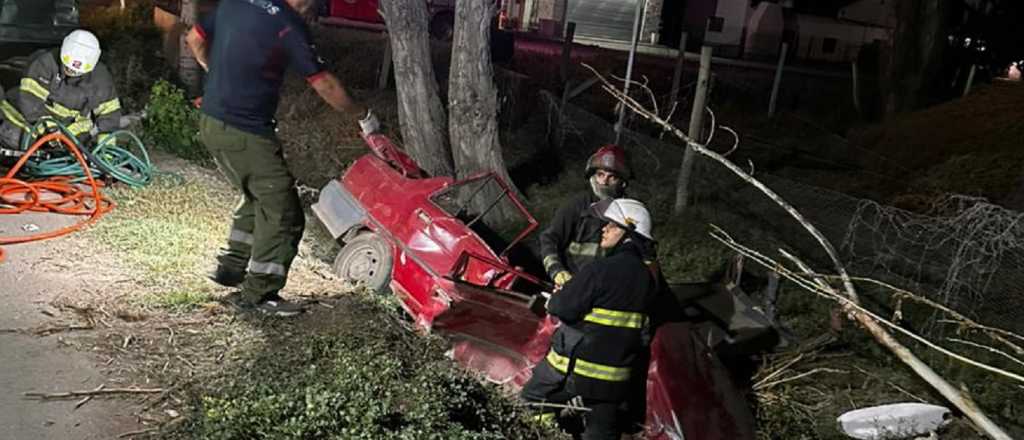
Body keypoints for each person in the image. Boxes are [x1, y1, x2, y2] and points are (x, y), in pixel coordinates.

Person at [185, 0, 379, 316]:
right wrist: (363, 115)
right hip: (245, 130)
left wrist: (215, 73)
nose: (315, 10)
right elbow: (325, 84)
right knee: (284, 212)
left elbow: (193, 38)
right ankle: (260, 295)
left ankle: (231, 268)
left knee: (257, 195)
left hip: (211, 121)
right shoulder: (287, 24)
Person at [522, 198, 659, 440]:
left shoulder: (600, 269)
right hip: (616, 380)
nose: (603, 229)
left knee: (531, 400)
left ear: (629, 232)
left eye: (612, 225)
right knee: (601, 433)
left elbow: (563, 308)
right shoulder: (647, 278)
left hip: (576, 371)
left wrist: (556, 298)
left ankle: (552, 435)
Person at [0, 29, 121, 150]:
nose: (71, 72)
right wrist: (50, 129)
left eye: (77, 71)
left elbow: (109, 116)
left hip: (71, 128)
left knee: (75, 151)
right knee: (15, 137)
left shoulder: (100, 78)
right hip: (33, 118)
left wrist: (107, 154)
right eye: (68, 66)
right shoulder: (45, 63)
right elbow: (31, 102)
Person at [540, 144, 631, 288]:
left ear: (623, 182)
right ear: (593, 176)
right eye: (600, 175)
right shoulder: (577, 205)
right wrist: (557, 271)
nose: (604, 182)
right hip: (572, 284)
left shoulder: (630, 213)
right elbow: (550, 239)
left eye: (612, 177)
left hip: (607, 289)